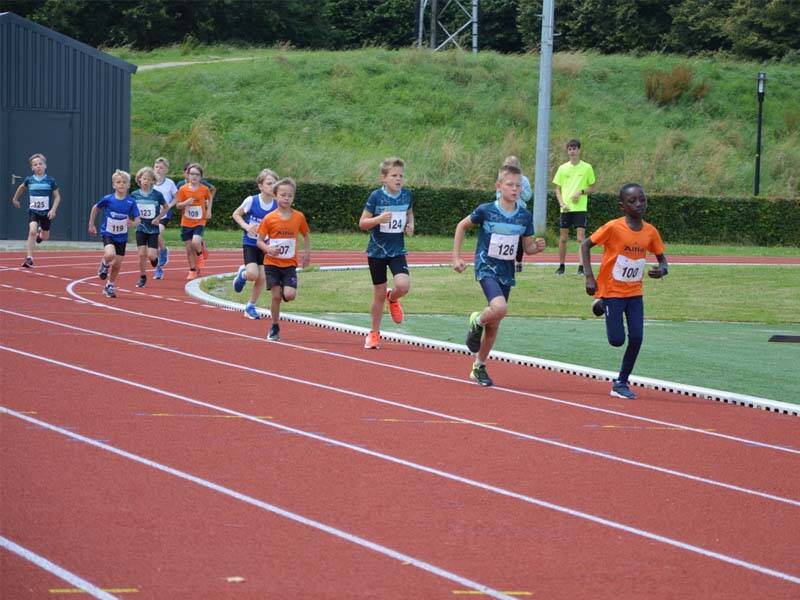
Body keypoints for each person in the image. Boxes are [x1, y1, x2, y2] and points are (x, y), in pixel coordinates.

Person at [452, 164, 546, 386]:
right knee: (500, 308)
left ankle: (479, 366)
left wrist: (537, 248)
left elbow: (528, 248)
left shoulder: (524, 216)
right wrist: (456, 257)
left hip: (506, 271)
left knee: (495, 323)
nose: (515, 189)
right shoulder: (486, 210)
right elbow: (461, 226)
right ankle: (476, 320)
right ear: (499, 186)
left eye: (518, 186)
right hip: (486, 267)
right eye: (510, 185)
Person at [580, 183, 668, 400]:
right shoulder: (613, 228)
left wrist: (662, 270)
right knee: (617, 340)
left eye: (642, 200)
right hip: (612, 290)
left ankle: (621, 382)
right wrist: (589, 277)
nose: (638, 204)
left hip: (635, 292)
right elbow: (585, 245)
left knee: (637, 337)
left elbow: (662, 258)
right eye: (632, 201)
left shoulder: (650, 231)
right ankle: (603, 303)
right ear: (622, 206)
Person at [358, 157, 414, 349]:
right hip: (377, 252)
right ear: (383, 178)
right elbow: (362, 223)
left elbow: (409, 213)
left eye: (401, 176)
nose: (398, 179)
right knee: (378, 294)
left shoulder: (406, 195)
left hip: (397, 250)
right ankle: (374, 333)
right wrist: (379, 219)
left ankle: (394, 297)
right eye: (394, 176)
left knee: (404, 285)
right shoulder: (376, 197)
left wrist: (410, 224)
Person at [256, 178, 311, 341]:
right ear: (275, 196)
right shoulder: (269, 219)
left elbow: (306, 235)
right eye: (283, 195)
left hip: (289, 265)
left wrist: (307, 253)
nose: (286, 198)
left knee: (290, 295)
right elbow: (259, 241)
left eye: (290, 195)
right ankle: (274, 325)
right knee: (276, 296)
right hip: (272, 263)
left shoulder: (299, 217)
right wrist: (268, 249)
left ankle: (284, 291)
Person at [231, 168, 278, 319]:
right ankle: (243, 274)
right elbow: (236, 214)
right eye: (269, 183)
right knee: (252, 274)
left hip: (265, 246)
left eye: (275, 183)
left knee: (262, 278)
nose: (273, 186)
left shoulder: (277, 204)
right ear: (261, 186)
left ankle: (250, 306)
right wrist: (246, 226)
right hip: (250, 243)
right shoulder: (252, 200)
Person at [87, 170, 140, 298]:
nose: (121, 184)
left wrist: (131, 223)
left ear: (128, 185)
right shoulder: (108, 199)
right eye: (118, 182)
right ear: (114, 185)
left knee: (117, 264)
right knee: (110, 254)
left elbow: (138, 219)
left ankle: (109, 285)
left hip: (121, 237)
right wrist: (91, 224)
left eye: (124, 182)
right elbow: (95, 208)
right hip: (108, 233)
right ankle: (104, 264)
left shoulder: (131, 202)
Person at [10, 153, 62, 268]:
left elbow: (57, 196)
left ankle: (40, 235)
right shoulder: (29, 180)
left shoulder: (50, 181)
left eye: (40, 164)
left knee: (45, 236)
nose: (38, 166)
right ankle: (29, 258)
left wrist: (53, 210)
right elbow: (21, 188)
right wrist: (15, 199)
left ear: (45, 166)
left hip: (46, 212)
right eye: (35, 164)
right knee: (32, 231)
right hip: (33, 211)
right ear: (32, 168)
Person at [552, 139, 596, 275]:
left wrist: (581, 192)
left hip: (580, 208)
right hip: (565, 209)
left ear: (579, 150)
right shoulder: (562, 168)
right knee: (563, 238)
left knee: (580, 237)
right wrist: (561, 203)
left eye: (575, 148)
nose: (572, 151)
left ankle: (581, 267)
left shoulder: (587, 167)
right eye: (570, 149)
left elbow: (592, 187)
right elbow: (557, 189)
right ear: (567, 151)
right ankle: (561, 266)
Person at [172, 163, 212, 280]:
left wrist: (209, 210)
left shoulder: (204, 189)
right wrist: (185, 203)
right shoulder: (183, 189)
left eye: (197, 174)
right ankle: (192, 270)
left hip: (200, 221)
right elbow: (178, 205)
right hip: (186, 222)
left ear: (201, 177)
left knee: (195, 242)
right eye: (192, 174)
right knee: (189, 249)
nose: (194, 177)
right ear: (187, 175)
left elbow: (209, 199)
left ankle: (199, 255)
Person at [495, 155, 532, 273]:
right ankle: (503, 260)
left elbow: (528, 196)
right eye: (507, 166)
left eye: (513, 165)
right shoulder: (502, 179)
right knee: (504, 235)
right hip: (504, 210)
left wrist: (519, 190)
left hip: (519, 211)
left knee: (519, 237)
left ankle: (518, 261)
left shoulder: (524, 180)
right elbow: (498, 194)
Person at [131, 166, 167, 288]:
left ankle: (155, 260)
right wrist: (133, 218)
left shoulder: (157, 195)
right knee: (141, 254)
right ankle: (142, 277)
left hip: (152, 229)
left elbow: (166, 207)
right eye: (143, 178)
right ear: (139, 179)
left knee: (151, 255)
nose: (145, 181)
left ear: (153, 181)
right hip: (140, 228)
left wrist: (158, 218)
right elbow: (129, 208)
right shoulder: (134, 194)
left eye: (148, 179)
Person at [152, 157, 178, 279]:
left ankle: (163, 251)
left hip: (163, 215)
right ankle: (159, 269)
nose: (158, 169)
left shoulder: (170, 183)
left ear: (166, 170)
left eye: (161, 167)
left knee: (157, 233)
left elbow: (177, 197)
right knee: (152, 245)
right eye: (156, 167)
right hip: (150, 216)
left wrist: (169, 206)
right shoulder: (149, 182)